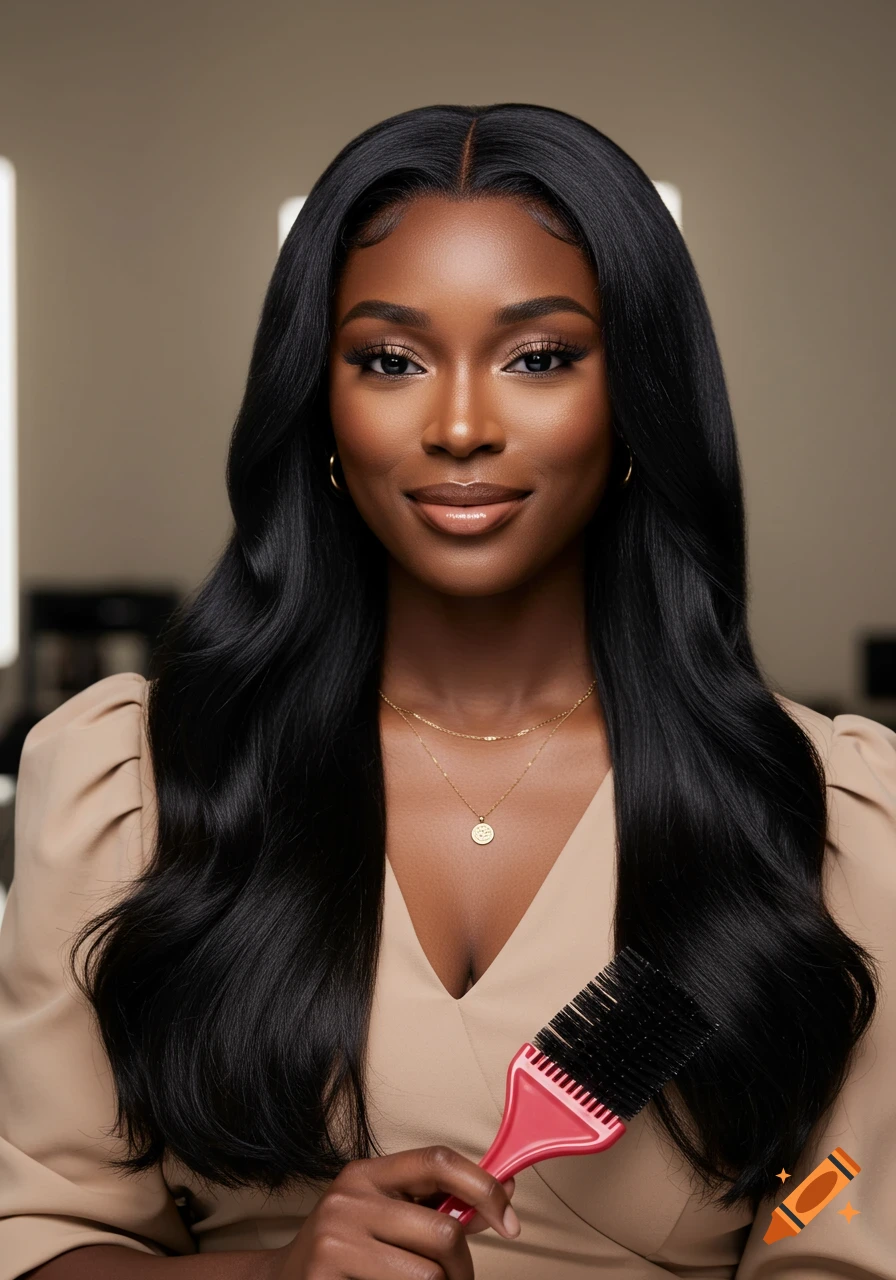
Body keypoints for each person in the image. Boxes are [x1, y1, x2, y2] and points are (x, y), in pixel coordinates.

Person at [1, 102, 894, 1280]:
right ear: (317, 399)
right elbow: (51, 1239)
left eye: (538, 357)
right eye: (388, 358)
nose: (461, 425)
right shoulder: (135, 788)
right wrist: (274, 1274)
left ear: (633, 398)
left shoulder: (829, 823)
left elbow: (830, 1231)